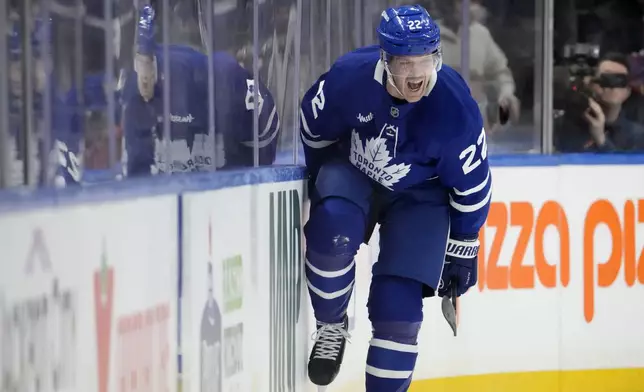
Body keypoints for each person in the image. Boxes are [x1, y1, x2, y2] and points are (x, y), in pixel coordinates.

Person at [300, 4, 491, 391]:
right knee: (332, 227)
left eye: (427, 60)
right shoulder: (349, 78)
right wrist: (319, 181)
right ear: (385, 59)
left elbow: (473, 186)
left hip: (421, 193)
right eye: (405, 63)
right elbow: (313, 127)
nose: (418, 74)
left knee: (398, 306)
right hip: (355, 167)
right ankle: (331, 325)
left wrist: (464, 244)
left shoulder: (456, 110)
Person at [120, 2, 280, 176]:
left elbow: (266, 127)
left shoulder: (228, 81)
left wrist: (242, 175)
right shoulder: (136, 96)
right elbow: (138, 176)